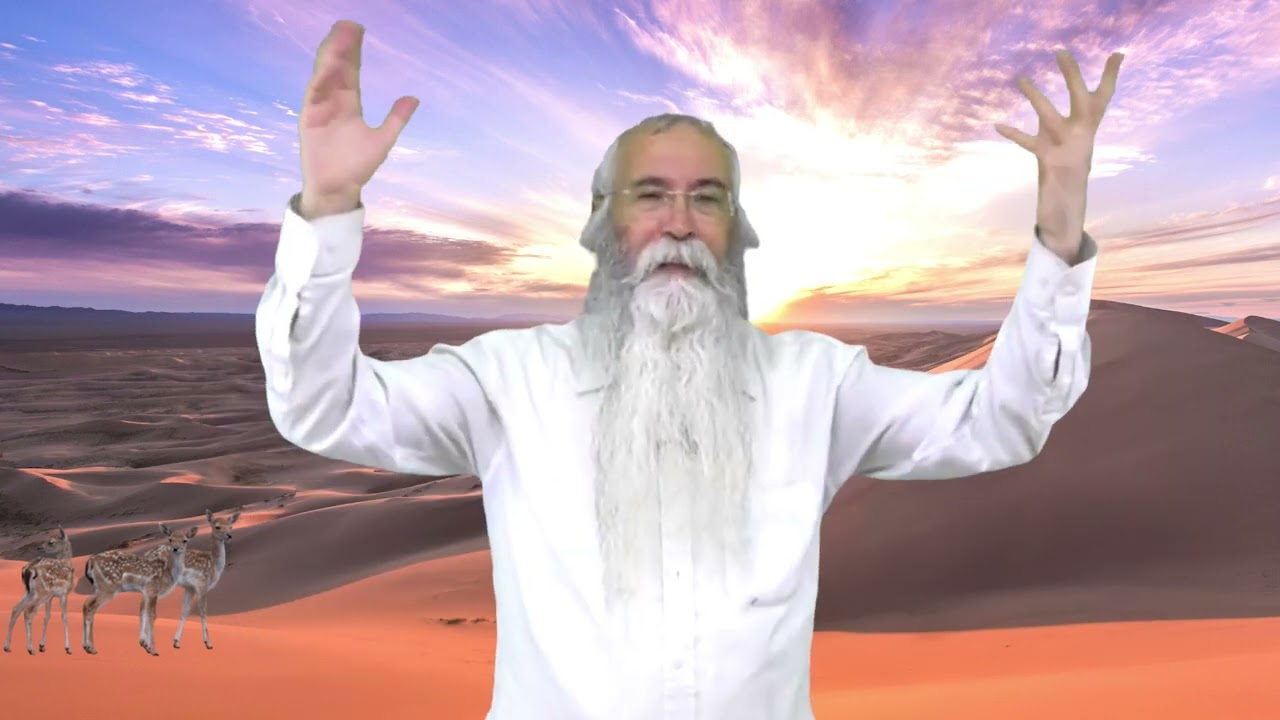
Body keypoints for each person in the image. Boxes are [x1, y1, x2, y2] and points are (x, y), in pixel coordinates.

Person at [255, 19, 1123, 720]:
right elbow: (324, 407)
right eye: (650, 195)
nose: (679, 222)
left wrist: (1057, 237)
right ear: (599, 222)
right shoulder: (507, 382)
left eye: (707, 198)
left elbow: (1000, 422)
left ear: (739, 230)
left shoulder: (816, 385)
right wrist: (327, 212)